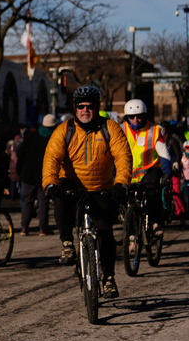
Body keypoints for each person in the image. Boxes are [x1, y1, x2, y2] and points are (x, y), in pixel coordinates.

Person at [42, 85, 132, 298]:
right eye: (80, 106)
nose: (85, 110)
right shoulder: (64, 130)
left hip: (102, 187)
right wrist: (49, 183)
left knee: (105, 234)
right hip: (72, 185)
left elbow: (123, 156)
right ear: (75, 108)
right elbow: (51, 158)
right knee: (61, 198)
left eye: (89, 106)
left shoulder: (110, 128)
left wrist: (122, 182)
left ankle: (109, 278)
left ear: (97, 108)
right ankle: (67, 244)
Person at [121, 99, 172, 238]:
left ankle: (156, 223)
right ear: (127, 117)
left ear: (145, 115)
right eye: (132, 117)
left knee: (152, 194)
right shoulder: (120, 130)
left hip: (150, 170)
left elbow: (164, 153)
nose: (136, 119)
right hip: (128, 171)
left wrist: (167, 171)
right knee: (126, 200)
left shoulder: (154, 130)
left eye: (139, 116)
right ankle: (131, 233)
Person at [17, 114, 56, 236]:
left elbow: (21, 154)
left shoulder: (31, 136)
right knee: (43, 202)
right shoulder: (53, 139)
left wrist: (19, 170)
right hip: (44, 175)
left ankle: (24, 228)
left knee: (27, 201)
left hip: (28, 174)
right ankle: (42, 229)